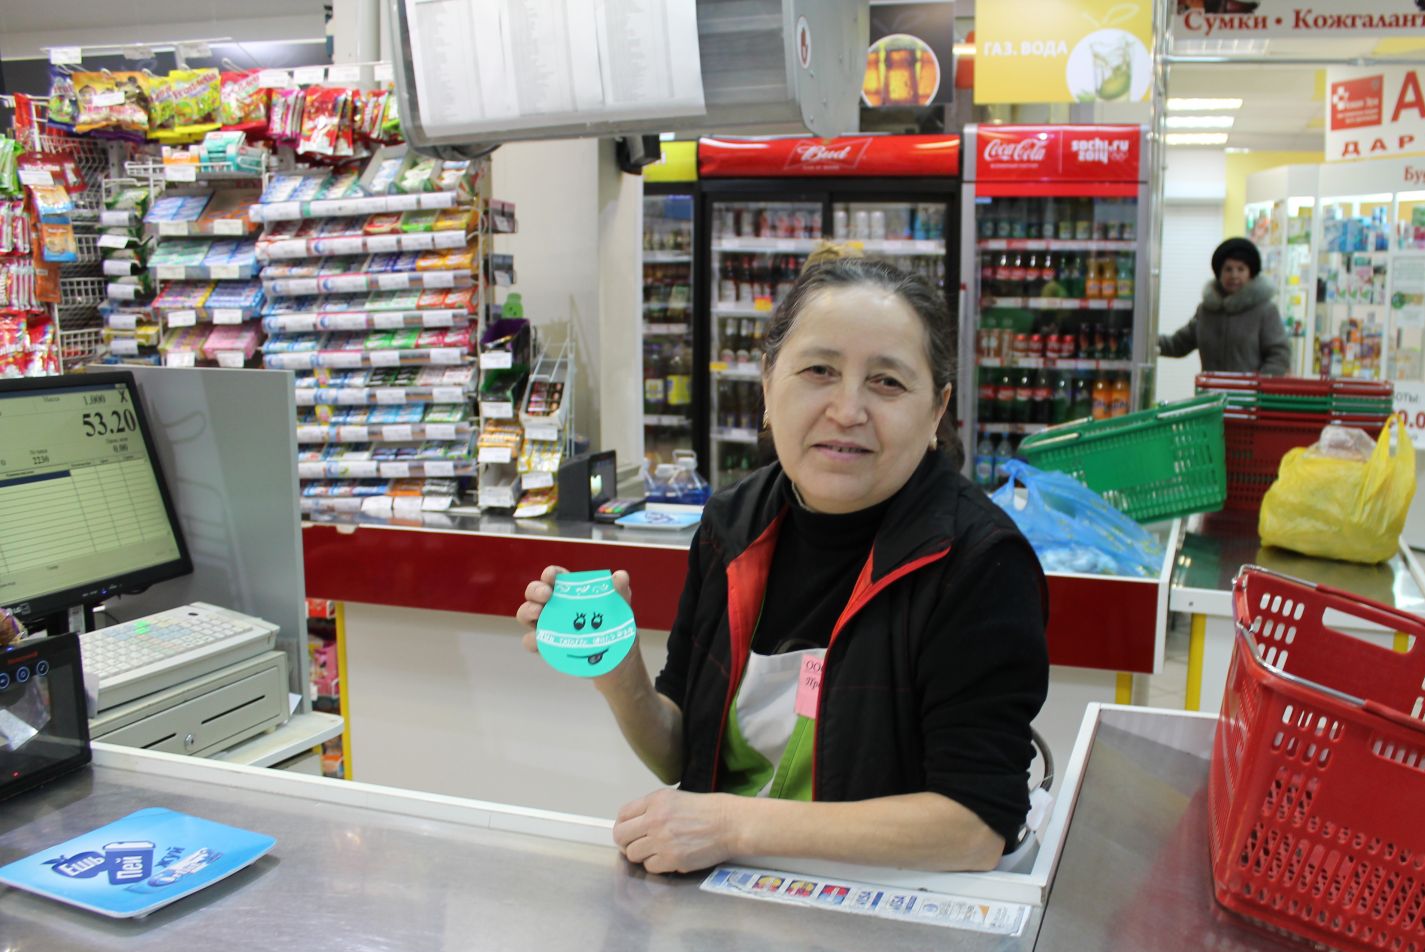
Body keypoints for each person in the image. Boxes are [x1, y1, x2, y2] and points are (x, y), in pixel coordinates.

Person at [517, 249, 1048, 875]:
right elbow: (683, 755)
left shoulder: (979, 563)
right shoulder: (732, 524)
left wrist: (732, 825)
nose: (847, 410)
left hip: (889, 911)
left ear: (936, 410)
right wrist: (618, 670)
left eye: (887, 382)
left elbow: (973, 829)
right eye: (820, 370)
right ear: (768, 384)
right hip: (738, 905)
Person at [1159, 236, 1291, 376]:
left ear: (1250, 274)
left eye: (1241, 269)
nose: (1234, 275)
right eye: (1228, 269)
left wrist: (1260, 382)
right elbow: (1177, 344)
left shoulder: (1265, 311)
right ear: (1219, 274)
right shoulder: (1206, 311)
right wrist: (1145, 340)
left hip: (1250, 389)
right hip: (1210, 389)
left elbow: (1279, 355)